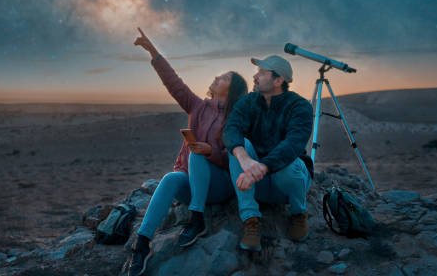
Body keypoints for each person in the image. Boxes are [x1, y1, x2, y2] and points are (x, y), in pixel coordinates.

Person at [126, 28, 248, 276]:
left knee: (197, 155)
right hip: (191, 182)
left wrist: (210, 151)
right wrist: (153, 51)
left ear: (232, 88)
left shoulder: (237, 117)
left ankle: (197, 218)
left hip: (219, 185)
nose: (216, 76)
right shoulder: (197, 106)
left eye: (224, 76)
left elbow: (236, 157)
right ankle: (142, 245)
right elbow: (173, 82)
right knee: (171, 178)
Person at [223, 54, 314, 252]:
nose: (255, 77)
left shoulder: (299, 106)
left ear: (279, 80)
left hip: (287, 185)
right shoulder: (248, 102)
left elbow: (293, 144)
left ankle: (298, 213)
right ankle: (251, 220)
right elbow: (231, 129)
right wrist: (244, 159)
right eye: (257, 73)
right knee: (239, 145)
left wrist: (262, 166)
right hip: (257, 181)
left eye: (262, 73)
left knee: (288, 163)